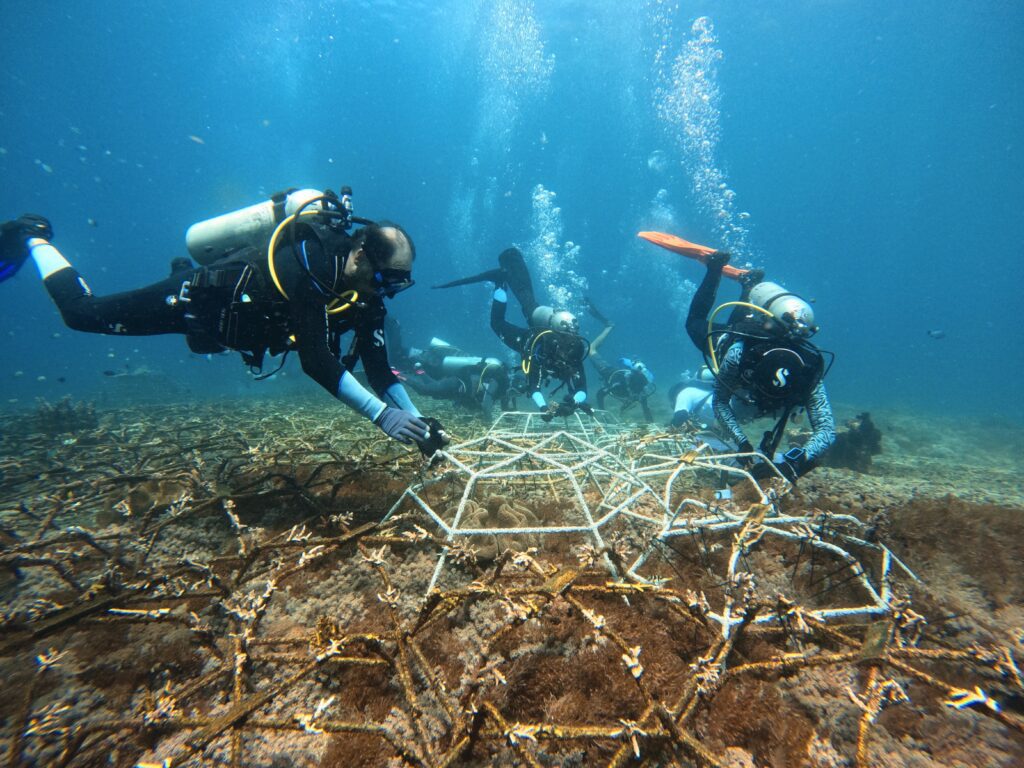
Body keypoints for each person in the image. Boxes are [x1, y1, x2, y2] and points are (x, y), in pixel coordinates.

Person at [0, 191, 448, 454]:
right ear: (360, 255)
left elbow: (378, 369)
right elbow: (315, 358)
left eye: (399, 284)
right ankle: (33, 237)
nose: (387, 292)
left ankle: (175, 274)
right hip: (201, 302)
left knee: (203, 343)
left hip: (234, 332)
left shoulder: (366, 296)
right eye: (386, 279)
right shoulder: (310, 262)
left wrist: (417, 420)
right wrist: (379, 415)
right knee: (82, 314)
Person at [685, 251, 835, 481]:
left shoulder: (809, 370)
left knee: (736, 321)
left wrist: (792, 463)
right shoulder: (741, 354)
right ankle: (716, 269)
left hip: (752, 335)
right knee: (695, 323)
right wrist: (742, 443)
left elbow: (826, 431)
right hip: (727, 340)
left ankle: (744, 282)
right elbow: (720, 400)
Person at [435, 247, 590, 421]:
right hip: (527, 341)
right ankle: (500, 283)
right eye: (564, 342)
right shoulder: (542, 347)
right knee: (497, 323)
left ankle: (511, 260)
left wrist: (574, 403)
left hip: (541, 326)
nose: (567, 347)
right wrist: (544, 408)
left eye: (571, 342)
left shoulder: (576, 350)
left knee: (529, 305)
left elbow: (582, 388)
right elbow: (534, 386)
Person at [401, 337, 512, 421]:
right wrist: (489, 421)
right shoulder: (498, 381)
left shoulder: (503, 387)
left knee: (433, 388)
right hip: (457, 384)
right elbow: (486, 405)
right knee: (424, 390)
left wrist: (509, 418)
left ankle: (419, 370)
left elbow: (504, 407)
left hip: (458, 391)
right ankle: (396, 373)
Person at [584, 299, 655, 421]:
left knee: (591, 349)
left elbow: (646, 408)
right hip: (607, 370)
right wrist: (604, 414)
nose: (642, 392)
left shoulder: (641, 390)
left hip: (616, 373)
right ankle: (609, 326)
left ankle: (605, 333)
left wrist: (650, 422)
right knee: (589, 349)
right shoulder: (620, 386)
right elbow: (600, 394)